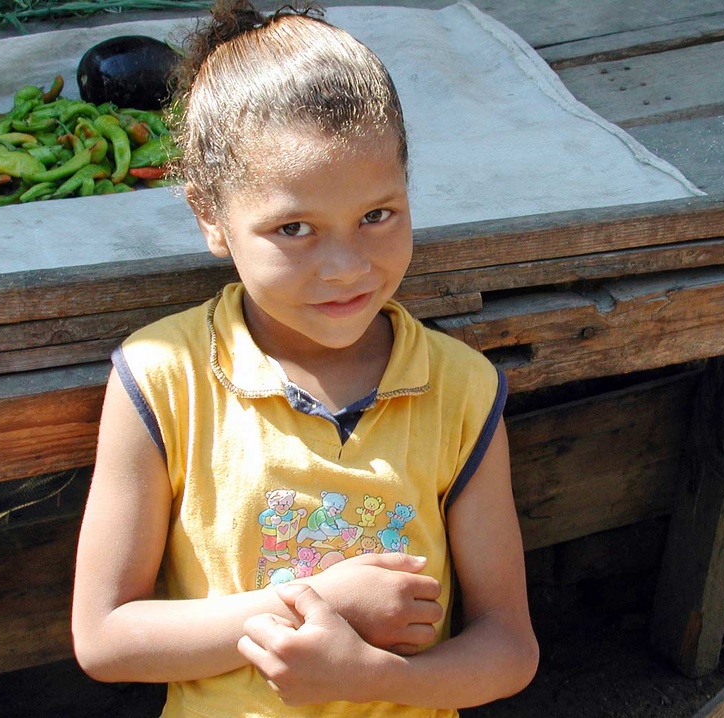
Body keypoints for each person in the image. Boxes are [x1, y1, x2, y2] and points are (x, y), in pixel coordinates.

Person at [70, 1, 539, 716]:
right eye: (294, 228)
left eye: (378, 215)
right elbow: (104, 637)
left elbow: (509, 647)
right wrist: (319, 604)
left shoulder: (461, 390)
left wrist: (382, 680)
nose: (347, 266)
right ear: (209, 216)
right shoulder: (164, 377)